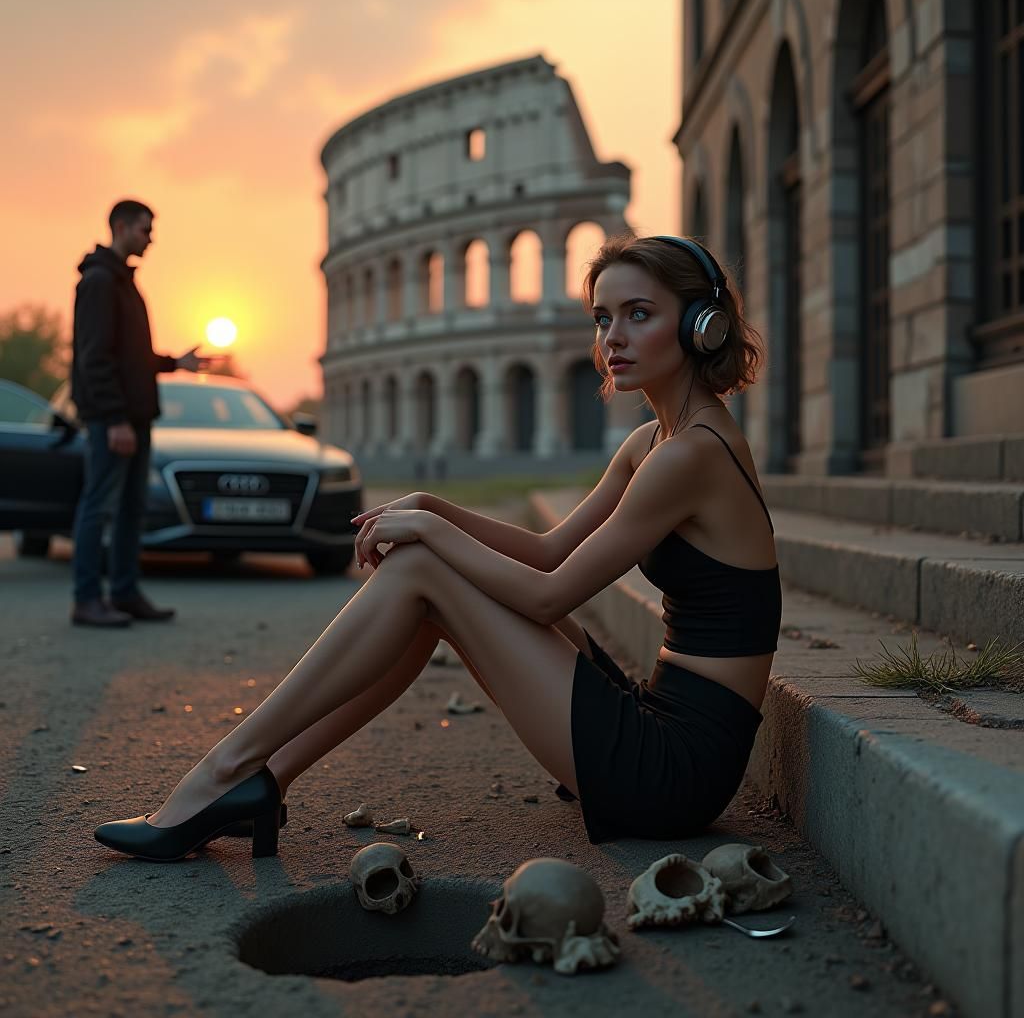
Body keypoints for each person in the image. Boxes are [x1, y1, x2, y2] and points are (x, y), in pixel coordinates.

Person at [93, 232, 782, 860]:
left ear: (702, 325)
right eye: (603, 319)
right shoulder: (653, 443)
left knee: (424, 568)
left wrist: (428, 532)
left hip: (671, 774)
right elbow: (546, 552)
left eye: (639, 314)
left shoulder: (690, 455)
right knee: (425, 583)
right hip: (655, 716)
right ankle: (259, 780)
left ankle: (225, 771)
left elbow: (549, 595)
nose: (613, 338)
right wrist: (429, 505)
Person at [70, 200, 213, 628]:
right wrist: (114, 419)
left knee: (132, 508)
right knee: (98, 506)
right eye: (144, 230)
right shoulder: (99, 282)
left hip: (135, 416)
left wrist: (174, 364)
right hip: (113, 420)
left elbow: (132, 357)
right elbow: (94, 358)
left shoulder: (124, 284)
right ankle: (87, 599)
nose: (151, 238)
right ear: (120, 226)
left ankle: (126, 593)